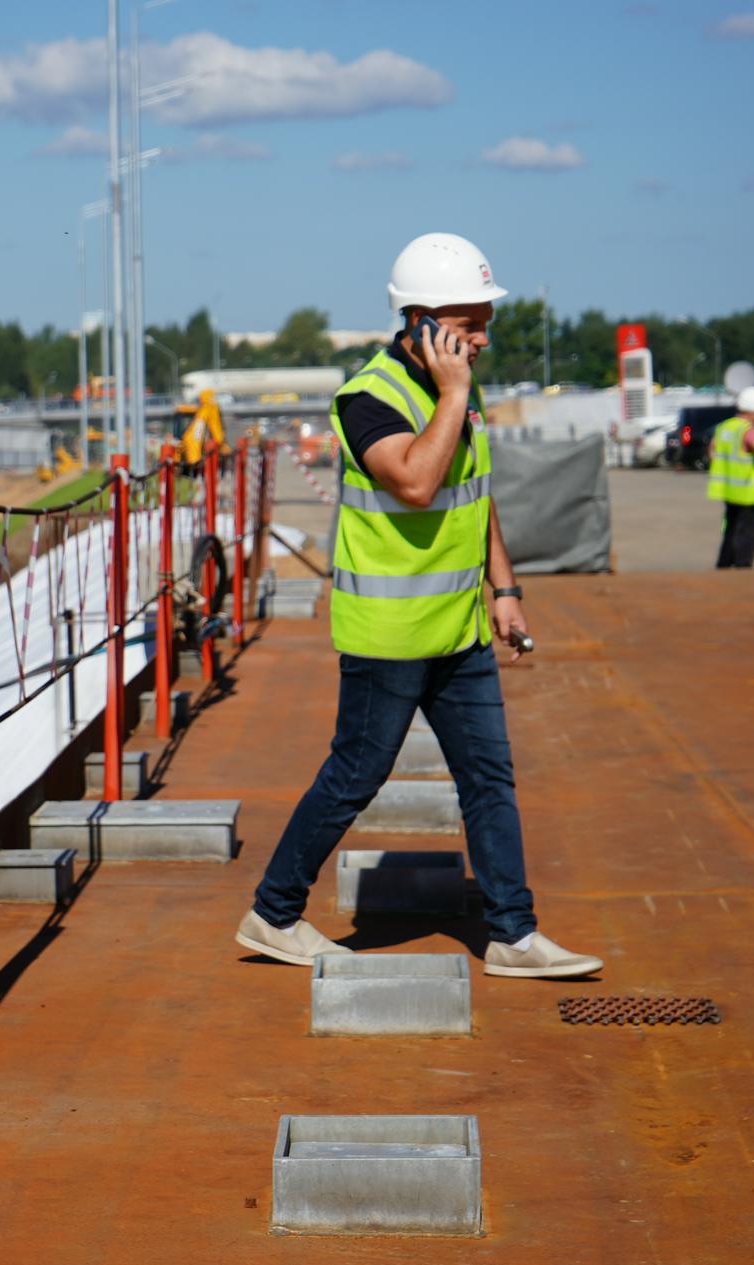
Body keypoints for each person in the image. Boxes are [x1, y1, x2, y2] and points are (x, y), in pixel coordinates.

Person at [234, 232, 602, 980]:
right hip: (391, 633)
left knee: (488, 777)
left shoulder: (457, 391)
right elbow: (416, 482)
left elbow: (476, 495)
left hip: (459, 627)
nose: (483, 337)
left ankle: (512, 934)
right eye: (471, 323)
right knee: (355, 777)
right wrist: (456, 394)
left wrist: (504, 591)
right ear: (423, 323)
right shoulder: (368, 396)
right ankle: (273, 914)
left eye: (484, 321)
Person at [706, 386, 754, 568]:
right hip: (748, 490)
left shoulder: (723, 427)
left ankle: (724, 564)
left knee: (730, 529)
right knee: (748, 531)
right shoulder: (747, 429)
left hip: (728, 490)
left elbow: (711, 451)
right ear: (752, 411)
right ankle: (743, 566)